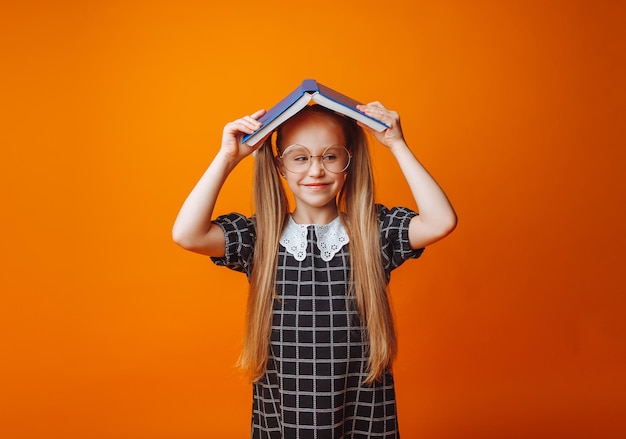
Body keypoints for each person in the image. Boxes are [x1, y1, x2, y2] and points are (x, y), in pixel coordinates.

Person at [172, 101, 457, 438]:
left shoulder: (372, 232)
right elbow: (186, 234)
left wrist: (397, 144)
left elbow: (441, 221)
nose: (316, 170)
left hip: (362, 414)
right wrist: (228, 158)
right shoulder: (260, 237)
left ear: (349, 161)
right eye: (300, 157)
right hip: (285, 416)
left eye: (330, 156)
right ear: (280, 165)